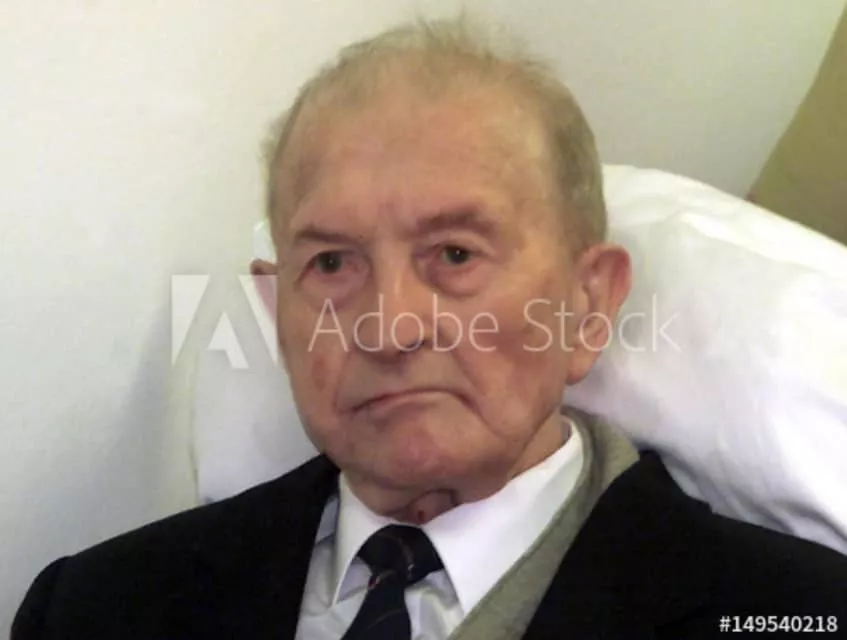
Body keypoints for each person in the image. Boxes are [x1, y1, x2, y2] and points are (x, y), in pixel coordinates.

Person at [12, 17, 847, 640]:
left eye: (454, 253)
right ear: (277, 315)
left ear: (587, 305)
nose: (388, 328)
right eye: (331, 264)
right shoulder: (93, 609)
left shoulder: (800, 615)